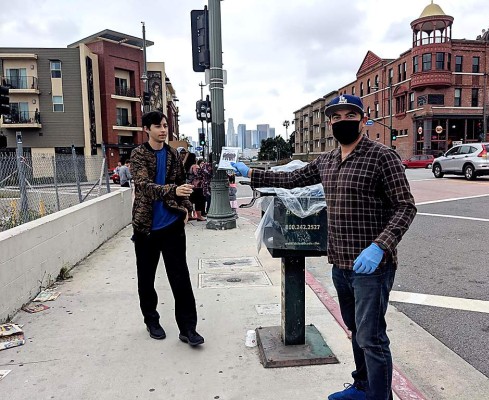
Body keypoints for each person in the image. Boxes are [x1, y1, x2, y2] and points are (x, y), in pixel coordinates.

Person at [232, 94, 416, 400]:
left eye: (349, 115)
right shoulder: (327, 161)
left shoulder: (382, 156)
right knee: (356, 332)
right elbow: (291, 178)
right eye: (336, 117)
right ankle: (362, 386)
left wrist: (380, 247)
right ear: (329, 122)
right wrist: (250, 173)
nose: (342, 121)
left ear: (362, 119)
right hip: (341, 265)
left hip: (372, 267)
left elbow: (405, 207)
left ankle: (380, 397)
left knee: (372, 337)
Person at [130, 110, 204, 347]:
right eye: (157, 126)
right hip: (146, 227)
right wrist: (172, 192)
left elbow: (183, 185)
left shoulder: (173, 154)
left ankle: (188, 329)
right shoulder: (138, 154)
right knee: (146, 278)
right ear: (147, 129)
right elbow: (143, 186)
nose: (163, 130)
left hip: (172, 225)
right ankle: (151, 320)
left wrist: (185, 208)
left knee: (180, 278)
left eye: (164, 126)